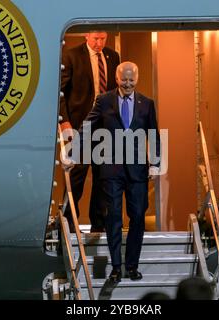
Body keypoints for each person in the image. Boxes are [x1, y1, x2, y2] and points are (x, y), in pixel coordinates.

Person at [77, 62, 161, 283]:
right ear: (117, 78)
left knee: (138, 218)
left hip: (137, 172)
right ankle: (116, 267)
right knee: (113, 218)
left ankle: (131, 266)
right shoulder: (103, 101)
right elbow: (87, 126)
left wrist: (155, 163)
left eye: (132, 79)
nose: (128, 83)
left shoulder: (147, 104)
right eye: (124, 79)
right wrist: (72, 151)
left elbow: (153, 134)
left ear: (137, 78)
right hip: (110, 170)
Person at [60, 31, 120, 233]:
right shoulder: (71, 55)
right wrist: (64, 121)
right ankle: (68, 223)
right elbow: (61, 92)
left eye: (103, 38)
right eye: (96, 38)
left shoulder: (113, 56)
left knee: (103, 177)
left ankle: (99, 224)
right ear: (87, 36)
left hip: (106, 128)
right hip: (79, 125)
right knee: (76, 175)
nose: (99, 43)